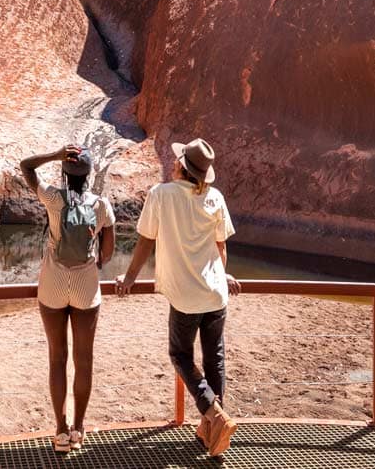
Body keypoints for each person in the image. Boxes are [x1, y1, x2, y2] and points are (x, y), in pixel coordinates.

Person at [115, 138, 239, 457]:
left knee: (179, 354)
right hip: (215, 293)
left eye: (176, 160)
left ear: (180, 167)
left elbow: (145, 241)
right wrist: (222, 274)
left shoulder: (161, 194)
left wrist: (129, 279)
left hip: (185, 297)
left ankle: (214, 415)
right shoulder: (215, 197)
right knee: (215, 359)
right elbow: (220, 248)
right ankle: (213, 429)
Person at [19, 144, 116, 453]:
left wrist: (54, 155)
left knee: (57, 358)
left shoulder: (53, 198)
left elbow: (26, 166)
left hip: (53, 285)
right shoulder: (101, 205)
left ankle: (60, 431)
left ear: (64, 172)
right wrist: (94, 262)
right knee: (83, 360)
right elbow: (108, 252)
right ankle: (78, 429)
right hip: (86, 287)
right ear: (88, 175)